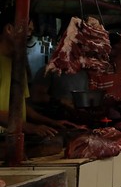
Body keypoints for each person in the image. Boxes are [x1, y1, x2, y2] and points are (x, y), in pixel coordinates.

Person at [0, 9, 80, 137]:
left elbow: (22, 107)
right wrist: (30, 127)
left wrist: (52, 123)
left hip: (16, 135)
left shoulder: (18, 65)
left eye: (31, 31)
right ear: (9, 29)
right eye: (28, 30)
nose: (30, 35)